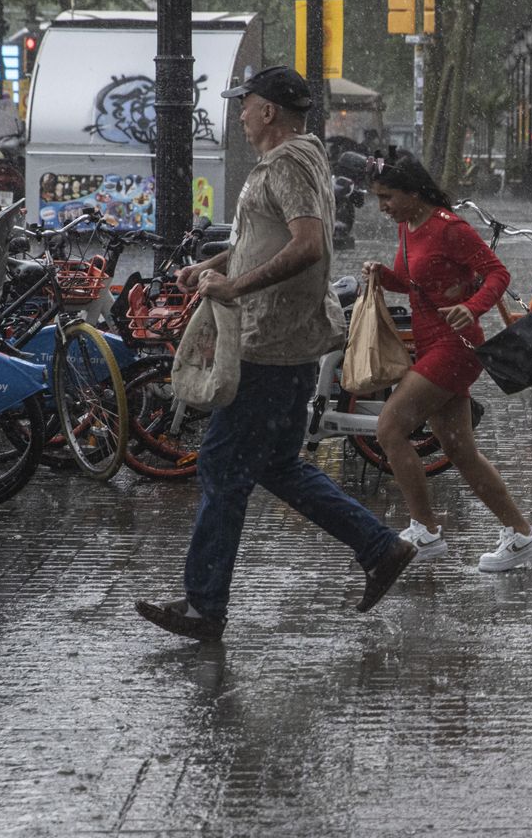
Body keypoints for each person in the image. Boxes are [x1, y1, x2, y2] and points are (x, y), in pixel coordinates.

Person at [135, 66, 417, 641]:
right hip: (288, 341)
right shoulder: (302, 158)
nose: (239, 113)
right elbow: (254, 242)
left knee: (219, 467)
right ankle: (379, 547)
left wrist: (234, 288)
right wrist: (212, 267)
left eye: (246, 104)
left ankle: (203, 606)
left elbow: (307, 245)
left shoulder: (288, 163)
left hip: (269, 345)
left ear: (269, 111)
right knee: (277, 465)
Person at [362, 155, 532, 571]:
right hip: (430, 345)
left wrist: (473, 305)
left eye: (388, 197)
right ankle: (522, 535)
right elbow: (413, 283)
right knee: (461, 451)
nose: (383, 206)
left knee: (390, 428)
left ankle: (425, 532)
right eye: (379, 198)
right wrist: (382, 275)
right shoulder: (406, 227)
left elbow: (497, 273)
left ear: (413, 192)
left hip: (456, 348)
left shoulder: (451, 228)